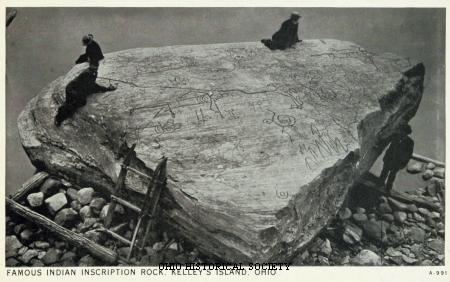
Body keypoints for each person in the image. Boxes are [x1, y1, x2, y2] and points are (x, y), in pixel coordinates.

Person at [379, 124, 414, 193]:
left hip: (398, 162)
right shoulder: (395, 136)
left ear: (406, 132)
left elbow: (408, 154)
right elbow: (387, 141)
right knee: (384, 173)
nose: (401, 132)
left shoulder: (410, 142)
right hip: (389, 159)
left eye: (403, 131)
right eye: (400, 130)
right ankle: (379, 186)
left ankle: (387, 190)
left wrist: (403, 163)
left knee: (392, 176)